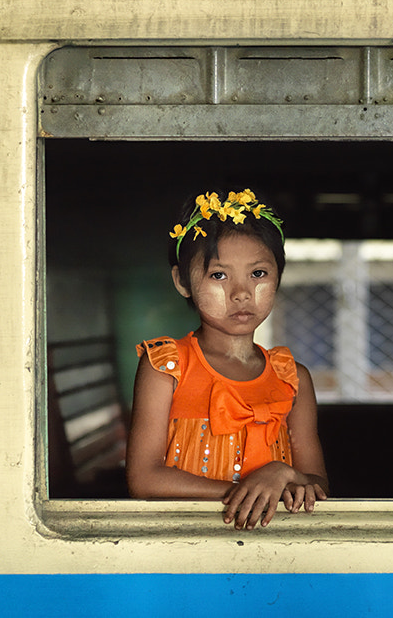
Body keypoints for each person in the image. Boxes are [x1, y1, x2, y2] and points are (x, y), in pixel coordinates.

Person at [126, 189, 329, 530]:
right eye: (218, 275)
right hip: (181, 546)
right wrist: (249, 490)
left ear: (279, 275)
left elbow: (318, 484)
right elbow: (144, 479)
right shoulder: (166, 368)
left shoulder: (292, 379)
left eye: (258, 274)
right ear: (182, 282)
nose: (241, 292)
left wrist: (282, 473)